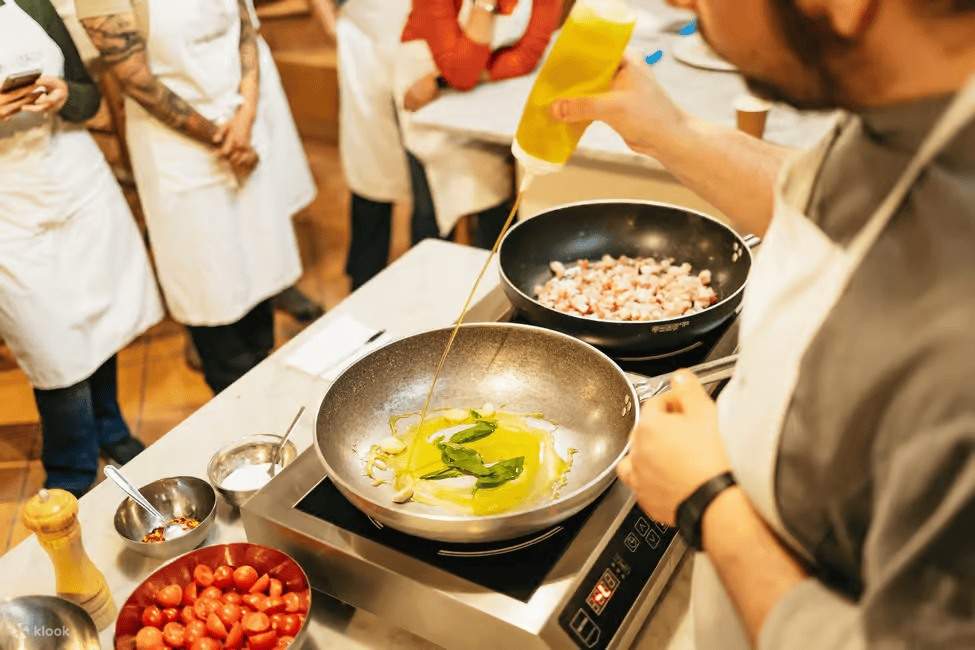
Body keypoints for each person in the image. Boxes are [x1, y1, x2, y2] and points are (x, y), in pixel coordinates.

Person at [549, 1, 975, 647]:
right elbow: (836, 212)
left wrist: (707, 499)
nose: (678, 4)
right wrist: (670, 131)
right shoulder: (915, 109)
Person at [76, 0, 305, 394]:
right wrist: (219, 136)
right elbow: (135, 79)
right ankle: (235, 405)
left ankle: (267, 388)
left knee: (260, 274)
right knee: (213, 292)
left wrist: (246, 116)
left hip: (241, 127)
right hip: (180, 151)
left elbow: (246, 28)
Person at [0, 0, 164, 496]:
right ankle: (70, 467)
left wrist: (64, 93)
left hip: (75, 181)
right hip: (10, 209)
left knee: (98, 321)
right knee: (51, 339)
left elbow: (89, 99)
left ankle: (111, 431)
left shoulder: (31, 5)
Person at [396, 0, 562, 249]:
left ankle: (487, 276)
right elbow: (461, 73)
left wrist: (443, 80)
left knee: (493, 198)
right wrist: (485, 5)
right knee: (431, 207)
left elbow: (526, 57)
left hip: (465, 89)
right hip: (424, 97)